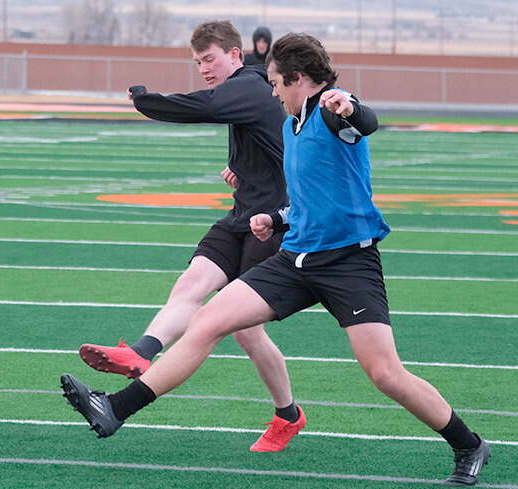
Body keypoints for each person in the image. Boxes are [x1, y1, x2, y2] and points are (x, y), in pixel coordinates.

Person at [61, 32, 490, 487]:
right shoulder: (291, 127)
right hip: (296, 258)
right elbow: (307, 198)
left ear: (299, 79)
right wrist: (276, 218)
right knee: (206, 321)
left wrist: (350, 108)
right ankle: (116, 408)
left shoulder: (331, 110)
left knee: (384, 373)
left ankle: (468, 444)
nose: (271, 92)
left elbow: (364, 121)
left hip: (349, 263)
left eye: (276, 83)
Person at [77, 20, 306, 452]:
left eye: (210, 58)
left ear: (236, 56)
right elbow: (271, 146)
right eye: (197, 61)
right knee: (191, 284)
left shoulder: (251, 85)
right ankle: (141, 352)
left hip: (272, 224)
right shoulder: (245, 92)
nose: (202, 68)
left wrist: (147, 101)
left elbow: (202, 106)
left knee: (243, 330)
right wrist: (246, 172)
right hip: (241, 216)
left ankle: (288, 415)